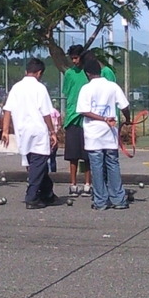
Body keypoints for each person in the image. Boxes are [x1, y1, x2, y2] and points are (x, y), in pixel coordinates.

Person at [1, 57, 60, 208]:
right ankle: (31, 197)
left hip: (22, 131)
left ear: (26, 71)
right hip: (37, 130)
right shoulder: (40, 88)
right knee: (38, 164)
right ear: (39, 73)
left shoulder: (16, 87)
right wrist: (52, 131)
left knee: (37, 164)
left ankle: (47, 193)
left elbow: (7, 110)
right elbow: (46, 113)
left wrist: (5, 130)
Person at [61, 44, 117, 197]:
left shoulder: (93, 74)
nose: (74, 61)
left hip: (90, 120)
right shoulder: (69, 74)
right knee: (72, 155)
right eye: (71, 58)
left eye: (76, 57)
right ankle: (73, 185)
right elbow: (67, 92)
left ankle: (88, 184)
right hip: (73, 118)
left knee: (88, 155)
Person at [76, 53, 130, 210]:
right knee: (113, 164)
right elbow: (125, 106)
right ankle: (118, 200)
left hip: (93, 135)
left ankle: (100, 201)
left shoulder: (86, 88)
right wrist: (126, 119)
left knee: (97, 167)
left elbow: (84, 111)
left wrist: (100, 119)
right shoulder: (112, 86)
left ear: (87, 73)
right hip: (110, 134)